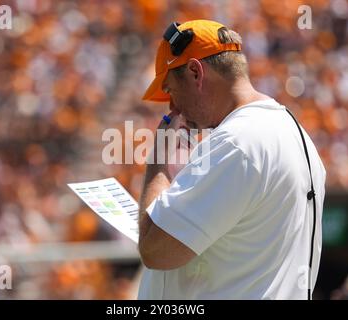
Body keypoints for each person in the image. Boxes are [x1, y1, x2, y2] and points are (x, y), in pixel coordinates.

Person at [137, 19, 326, 299]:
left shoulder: (237, 142)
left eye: (171, 91)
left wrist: (159, 164)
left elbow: (155, 251)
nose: (173, 106)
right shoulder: (290, 129)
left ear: (195, 72)